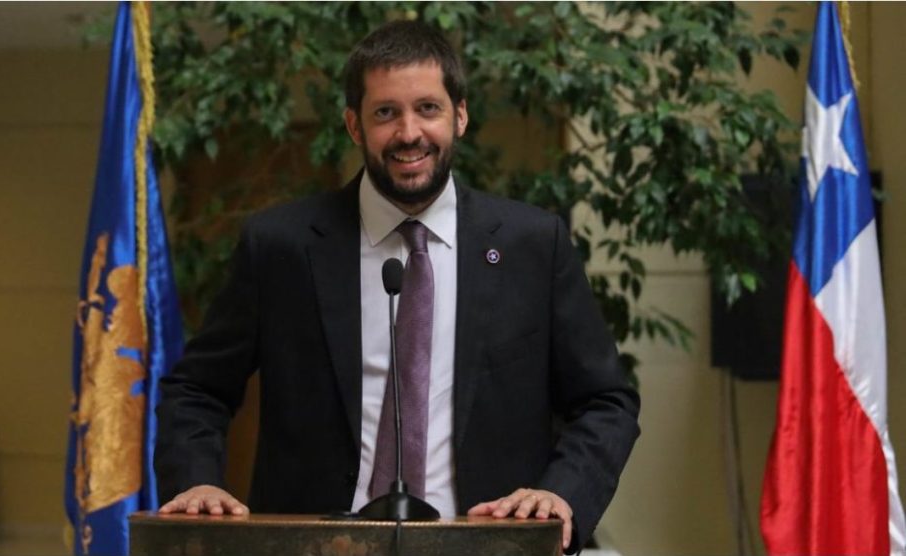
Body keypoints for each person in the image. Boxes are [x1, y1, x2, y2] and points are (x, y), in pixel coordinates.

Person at [154, 20, 640, 553]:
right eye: (386, 112)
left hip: (488, 545)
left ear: (460, 115)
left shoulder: (534, 245)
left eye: (428, 108)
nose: (409, 133)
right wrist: (196, 482)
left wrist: (560, 494)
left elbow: (605, 401)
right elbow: (196, 389)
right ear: (354, 125)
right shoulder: (281, 246)